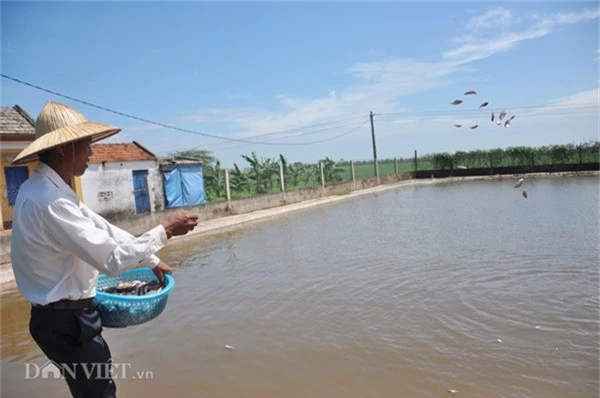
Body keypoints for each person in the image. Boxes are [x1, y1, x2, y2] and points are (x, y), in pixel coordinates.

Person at [10, 101, 199, 398]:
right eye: (86, 145)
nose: (91, 153)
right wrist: (165, 230)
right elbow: (111, 259)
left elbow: (105, 230)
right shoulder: (50, 199)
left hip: (62, 318)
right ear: (64, 148)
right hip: (67, 322)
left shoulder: (49, 190)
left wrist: (151, 259)